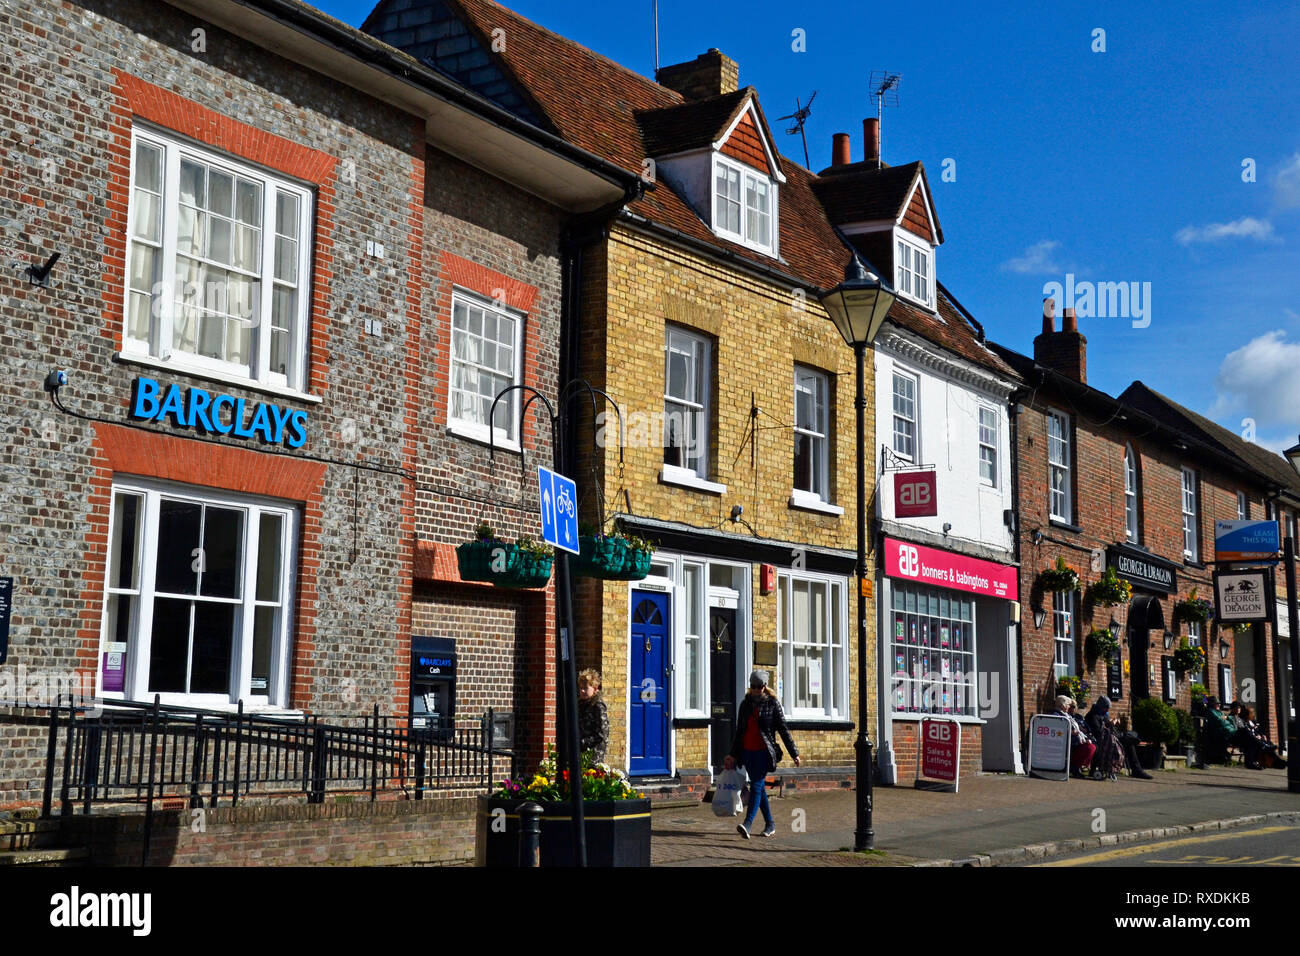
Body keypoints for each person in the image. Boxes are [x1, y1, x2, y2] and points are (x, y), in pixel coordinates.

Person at [729, 670, 800, 839]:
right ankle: (770, 824)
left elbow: (783, 730)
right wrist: (732, 754)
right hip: (748, 752)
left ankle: (747, 824)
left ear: (764, 687)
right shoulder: (744, 704)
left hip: (764, 752)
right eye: (753, 686)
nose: (755, 690)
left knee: (756, 786)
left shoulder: (773, 704)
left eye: (759, 687)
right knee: (758, 787)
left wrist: (794, 753)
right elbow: (739, 732)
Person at [1084, 695, 1153, 780]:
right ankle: (1137, 770)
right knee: (1129, 743)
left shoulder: (1102, 714)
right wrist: (1110, 724)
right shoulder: (1093, 716)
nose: (1108, 710)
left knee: (1129, 741)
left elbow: (1107, 726)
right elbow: (1098, 732)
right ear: (1101, 706)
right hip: (1104, 741)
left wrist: (1113, 722)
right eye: (1106, 707)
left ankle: (1137, 768)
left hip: (1110, 738)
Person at [1054, 695, 1095, 778]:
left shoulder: (1066, 714)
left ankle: (1077, 767)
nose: (1069, 707)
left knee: (1092, 746)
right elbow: (1058, 729)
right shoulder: (1056, 714)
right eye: (1068, 705)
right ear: (1062, 705)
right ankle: (1075, 767)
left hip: (1073, 739)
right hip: (1065, 740)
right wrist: (1071, 732)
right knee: (1089, 747)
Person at [577, 668, 609, 764]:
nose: (582, 691)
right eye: (580, 688)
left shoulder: (598, 706)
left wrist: (582, 742)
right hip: (580, 755)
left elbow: (601, 735)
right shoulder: (580, 704)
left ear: (595, 689)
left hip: (593, 757)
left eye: (585, 688)